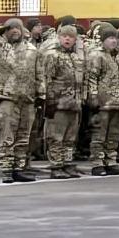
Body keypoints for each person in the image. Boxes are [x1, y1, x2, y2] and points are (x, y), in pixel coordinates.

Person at [0, 18, 44, 183]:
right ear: (5, 31)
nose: (14, 31)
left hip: (28, 99)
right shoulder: (0, 47)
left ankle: (18, 168)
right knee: (7, 135)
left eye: (17, 28)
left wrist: (41, 94)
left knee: (23, 136)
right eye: (10, 28)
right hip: (8, 98)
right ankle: (7, 169)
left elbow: (39, 73)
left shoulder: (32, 50)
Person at [86, 26, 119, 176]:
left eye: (115, 38)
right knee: (99, 134)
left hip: (118, 101)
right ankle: (97, 162)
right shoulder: (96, 56)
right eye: (110, 38)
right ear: (103, 40)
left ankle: (110, 160)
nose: (114, 41)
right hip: (103, 102)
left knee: (113, 134)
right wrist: (93, 98)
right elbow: (91, 78)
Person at [42, 25, 86, 180]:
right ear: (58, 37)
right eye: (65, 36)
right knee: (56, 137)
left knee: (70, 138)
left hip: (74, 104)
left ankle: (68, 163)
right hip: (58, 104)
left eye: (71, 37)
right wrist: (49, 100)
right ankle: (56, 165)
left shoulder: (76, 58)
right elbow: (46, 79)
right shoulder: (52, 56)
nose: (67, 39)